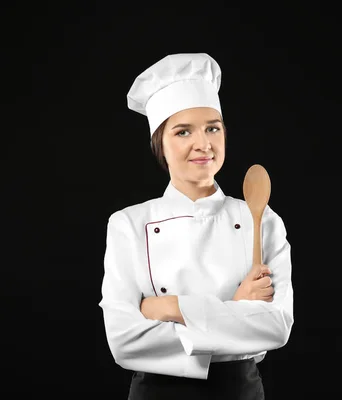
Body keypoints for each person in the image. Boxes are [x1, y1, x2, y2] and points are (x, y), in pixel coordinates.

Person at [98, 53, 294, 400]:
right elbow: (123, 341)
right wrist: (237, 311)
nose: (203, 143)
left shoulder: (262, 219)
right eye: (183, 131)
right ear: (161, 144)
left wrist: (169, 308)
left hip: (239, 392)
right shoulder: (128, 224)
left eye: (213, 128)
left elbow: (276, 327)